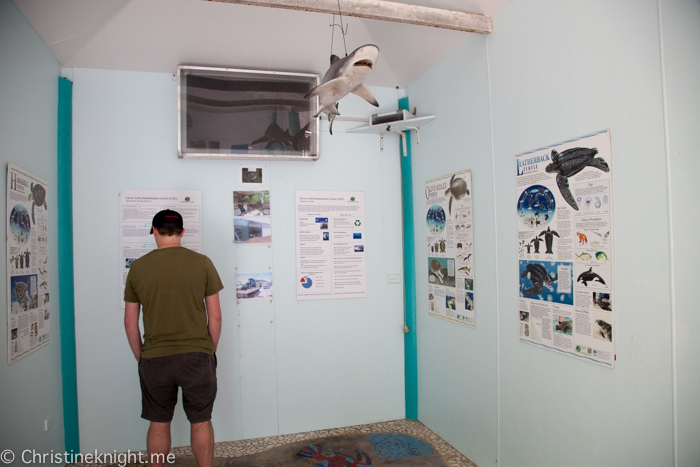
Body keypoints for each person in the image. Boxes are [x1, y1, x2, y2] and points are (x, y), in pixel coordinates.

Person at [124, 210, 223, 467]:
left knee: (159, 423)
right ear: (182, 232)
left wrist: (141, 356)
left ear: (154, 231)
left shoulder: (138, 268)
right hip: (197, 357)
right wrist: (207, 352)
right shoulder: (203, 263)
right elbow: (216, 318)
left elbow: (129, 321)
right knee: (201, 420)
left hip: (155, 358)